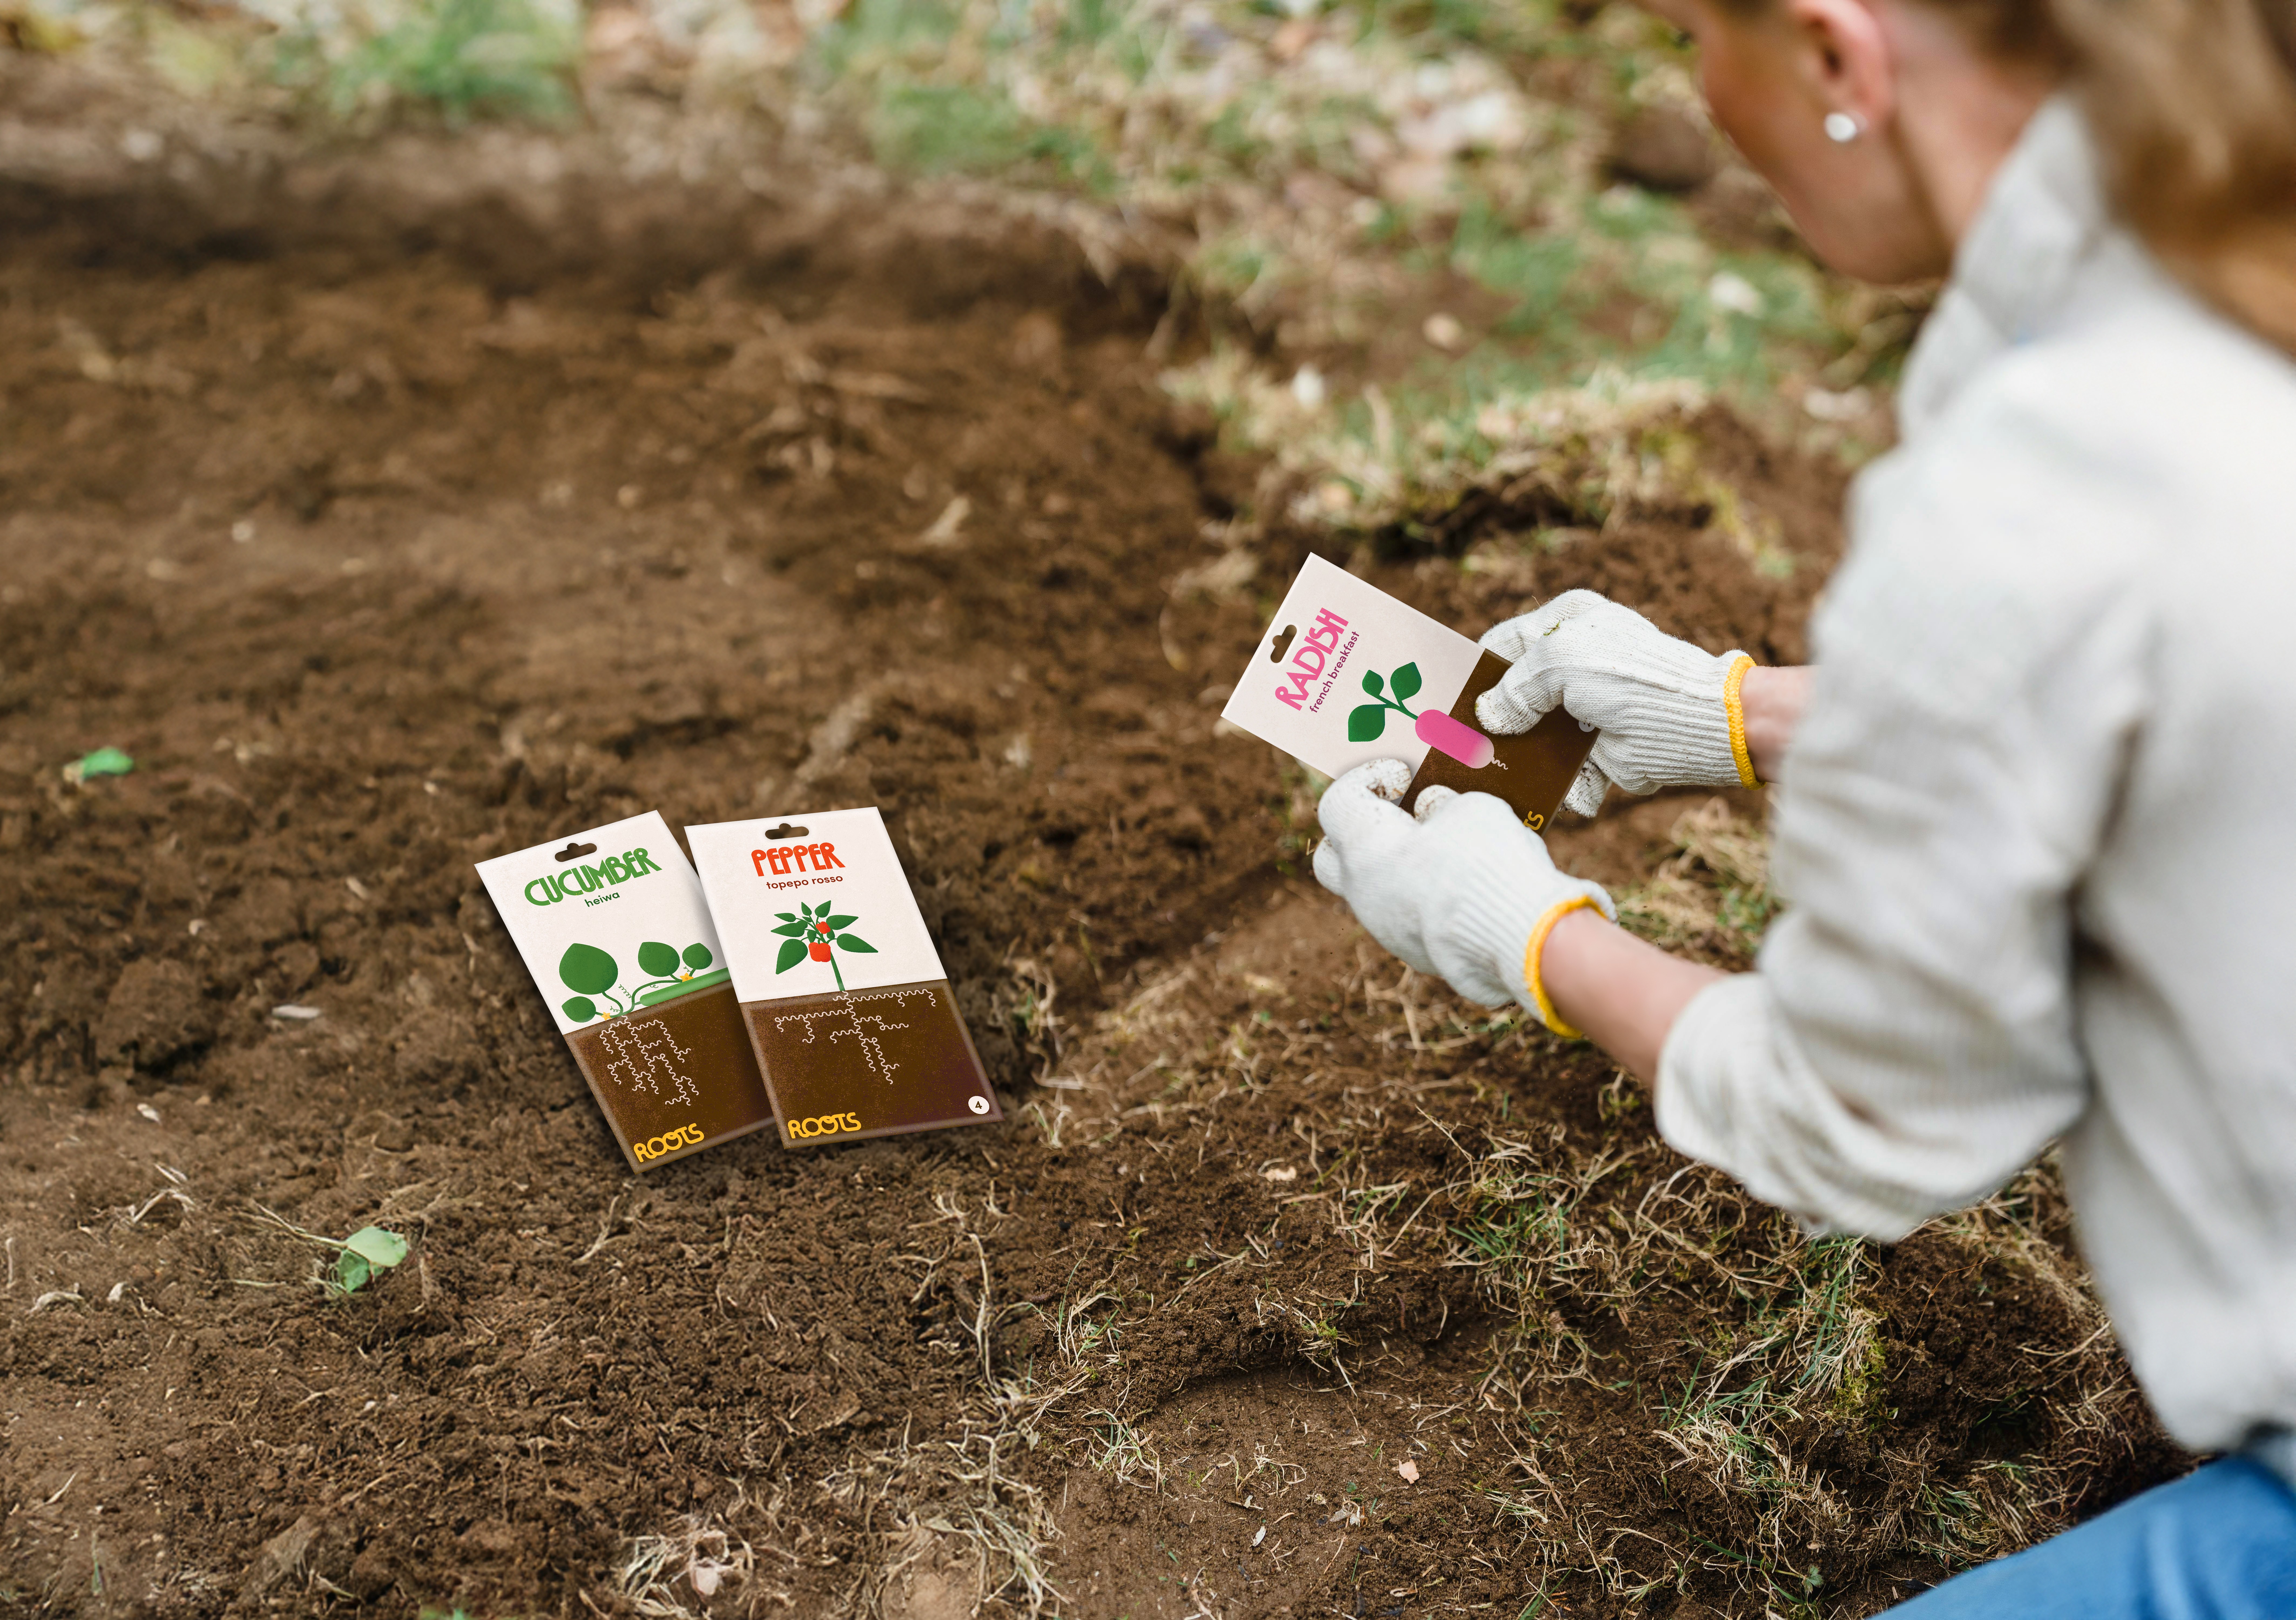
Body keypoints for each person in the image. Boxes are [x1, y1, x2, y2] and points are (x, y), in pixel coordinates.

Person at [1306, 0, 2296, 1610]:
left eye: (1694, 30)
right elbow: (2181, 678)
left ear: (1839, 58)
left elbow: (1876, 1121)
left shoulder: (2036, 487)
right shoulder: (2207, 284)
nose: (1695, 94)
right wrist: (1735, 716)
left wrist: (1529, 936)